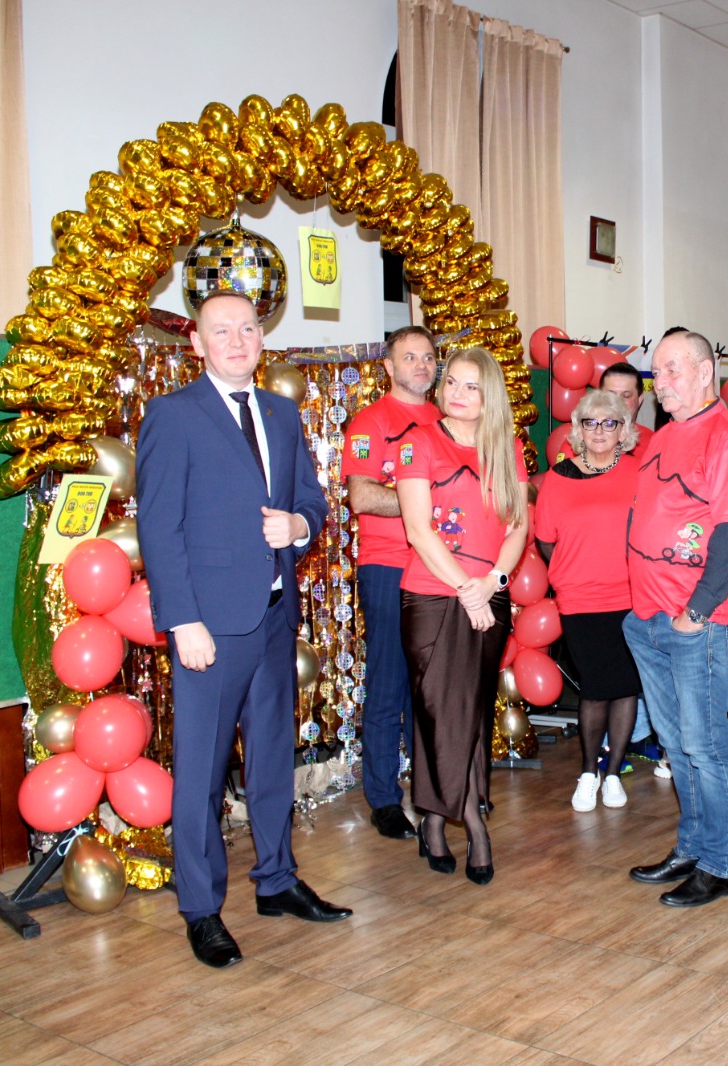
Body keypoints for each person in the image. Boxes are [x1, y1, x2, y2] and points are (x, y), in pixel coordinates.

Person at [137, 291, 349, 970]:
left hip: (274, 617)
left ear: (263, 337)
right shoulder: (173, 415)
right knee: (200, 772)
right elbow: (159, 530)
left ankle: (277, 880)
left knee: (272, 758)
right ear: (197, 344)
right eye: (221, 331)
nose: (236, 341)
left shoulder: (282, 415)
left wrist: (300, 525)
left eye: (248, 329)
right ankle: (201, 908)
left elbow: (311, 499)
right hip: (209, 627)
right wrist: (184, 621)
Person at [625, 330, 728, 908]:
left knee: (705, 747)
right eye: (657, 372)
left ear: (706, 372)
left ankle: (720, 865)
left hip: (697, 624)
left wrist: (694, 612)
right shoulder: (662, 437)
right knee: (677, 746)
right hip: (649, 618)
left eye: (673, 370)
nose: (661, 383)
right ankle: (692, 847)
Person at [394, 348, 529, 885]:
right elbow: (418, 530)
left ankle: (433, 818)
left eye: (472, 386)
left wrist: (493, 582)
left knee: (471, 710)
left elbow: (518, 526)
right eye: (452, 381)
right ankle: (472, 820)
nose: (457, 392)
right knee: (438, 711)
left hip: (489, 593)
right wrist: (465, 591)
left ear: (489, 395)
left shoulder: (508, 447)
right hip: (431, 597)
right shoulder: (418, 442)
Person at [343, 326, 440, 841]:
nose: (421, 366)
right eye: (410, 357)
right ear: (388, 366)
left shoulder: (446, 420)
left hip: (439, 565)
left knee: (431, 687)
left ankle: (434, 790)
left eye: (428, 357)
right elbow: (362, 496)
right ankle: (383, 798)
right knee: (389, 680)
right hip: (388, 565)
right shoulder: (372, 421)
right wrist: (427, 504)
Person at [536, 389, 644, 812]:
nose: (599, 430)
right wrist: (574, 569)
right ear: (578, 430)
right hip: (579, 600)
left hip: (632, 597)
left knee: (627, 687)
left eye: (609, 422)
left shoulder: (639, 472)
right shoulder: (559, 476)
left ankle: (613, 773)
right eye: (590, 422)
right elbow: (546, 541)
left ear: (623, 429)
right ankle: (588, 772)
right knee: (596, 688)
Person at [600, 361, 654, 459]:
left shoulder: (654, 443)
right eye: (610, 395)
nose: (617, 402)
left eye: (626, 396)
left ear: (640, 400)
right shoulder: (581, 437)